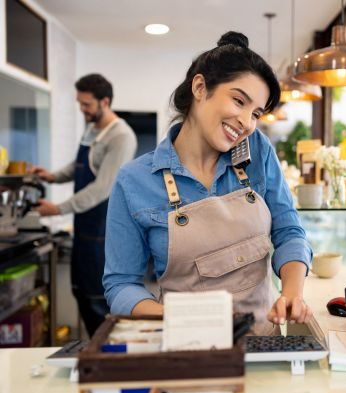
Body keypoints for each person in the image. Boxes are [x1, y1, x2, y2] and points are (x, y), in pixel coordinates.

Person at [103, 32, 313, 334]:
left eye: (256, 113)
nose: (246, 122)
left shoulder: (258, 151)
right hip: (185, 346)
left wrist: (292, 293)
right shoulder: (134, 181)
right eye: (238, 101)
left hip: (260, 345)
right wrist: (175, 320)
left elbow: (289, 231)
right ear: (200, 87)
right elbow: (121, 285)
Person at [33, 74, 137, 336]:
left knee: (98, 301)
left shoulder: (121, 136)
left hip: (103, 230)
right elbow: (77, 166)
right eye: (80, 104)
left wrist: (57, 208)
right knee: (80, 291)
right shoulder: (92, 129)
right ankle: (96, 351)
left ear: (105, 101)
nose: (82, 110)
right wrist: (53, 176)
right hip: (83, 227)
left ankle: (110, 359)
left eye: (86, 104)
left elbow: (103, 188)